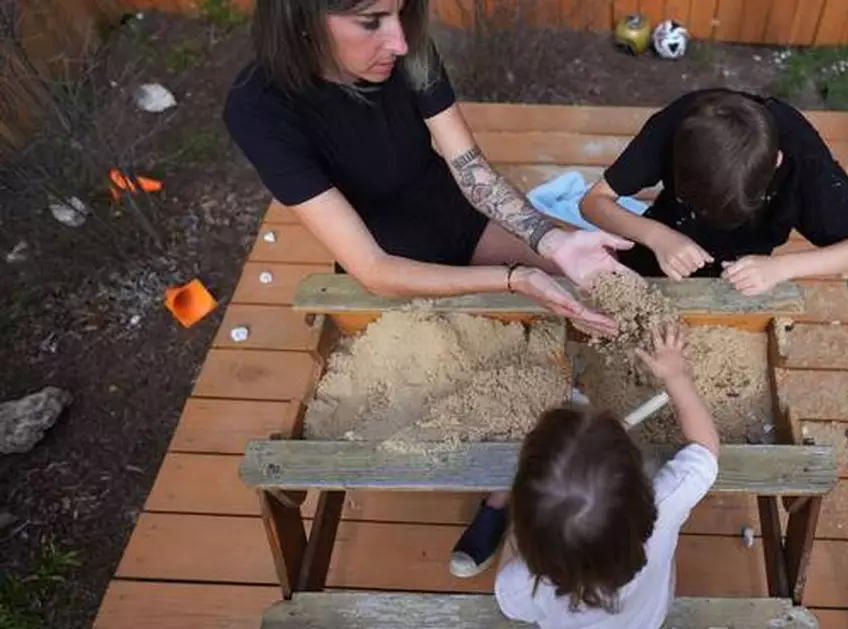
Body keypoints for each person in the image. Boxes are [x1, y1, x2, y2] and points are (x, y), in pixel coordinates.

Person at [221, 0, 633, 579]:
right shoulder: (259, 108)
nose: (398, 41)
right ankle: (504, 492)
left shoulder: (404, 43)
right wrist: (515, 279)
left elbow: (470, 170)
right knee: (480, 380)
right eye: (371, 21)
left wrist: (552, 242)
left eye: (401, 12)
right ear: (303, 16)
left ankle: (531, 471)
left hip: (454, 217)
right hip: (392, 270)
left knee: (588, 285)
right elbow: (372, 267)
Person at [494, 322, 718, 628]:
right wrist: (676, 377)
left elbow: (514, 608)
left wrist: (515, 528)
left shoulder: (523, 582)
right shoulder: (665, 503)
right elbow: (705, 449)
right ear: (642, 488)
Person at [581, 88, 848, 295]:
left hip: (748, 256)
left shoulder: (805, 161)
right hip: (671, 229)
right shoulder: (678, 125)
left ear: (776, 162)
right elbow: (593, 201)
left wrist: (781, 268)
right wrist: (656, 236)